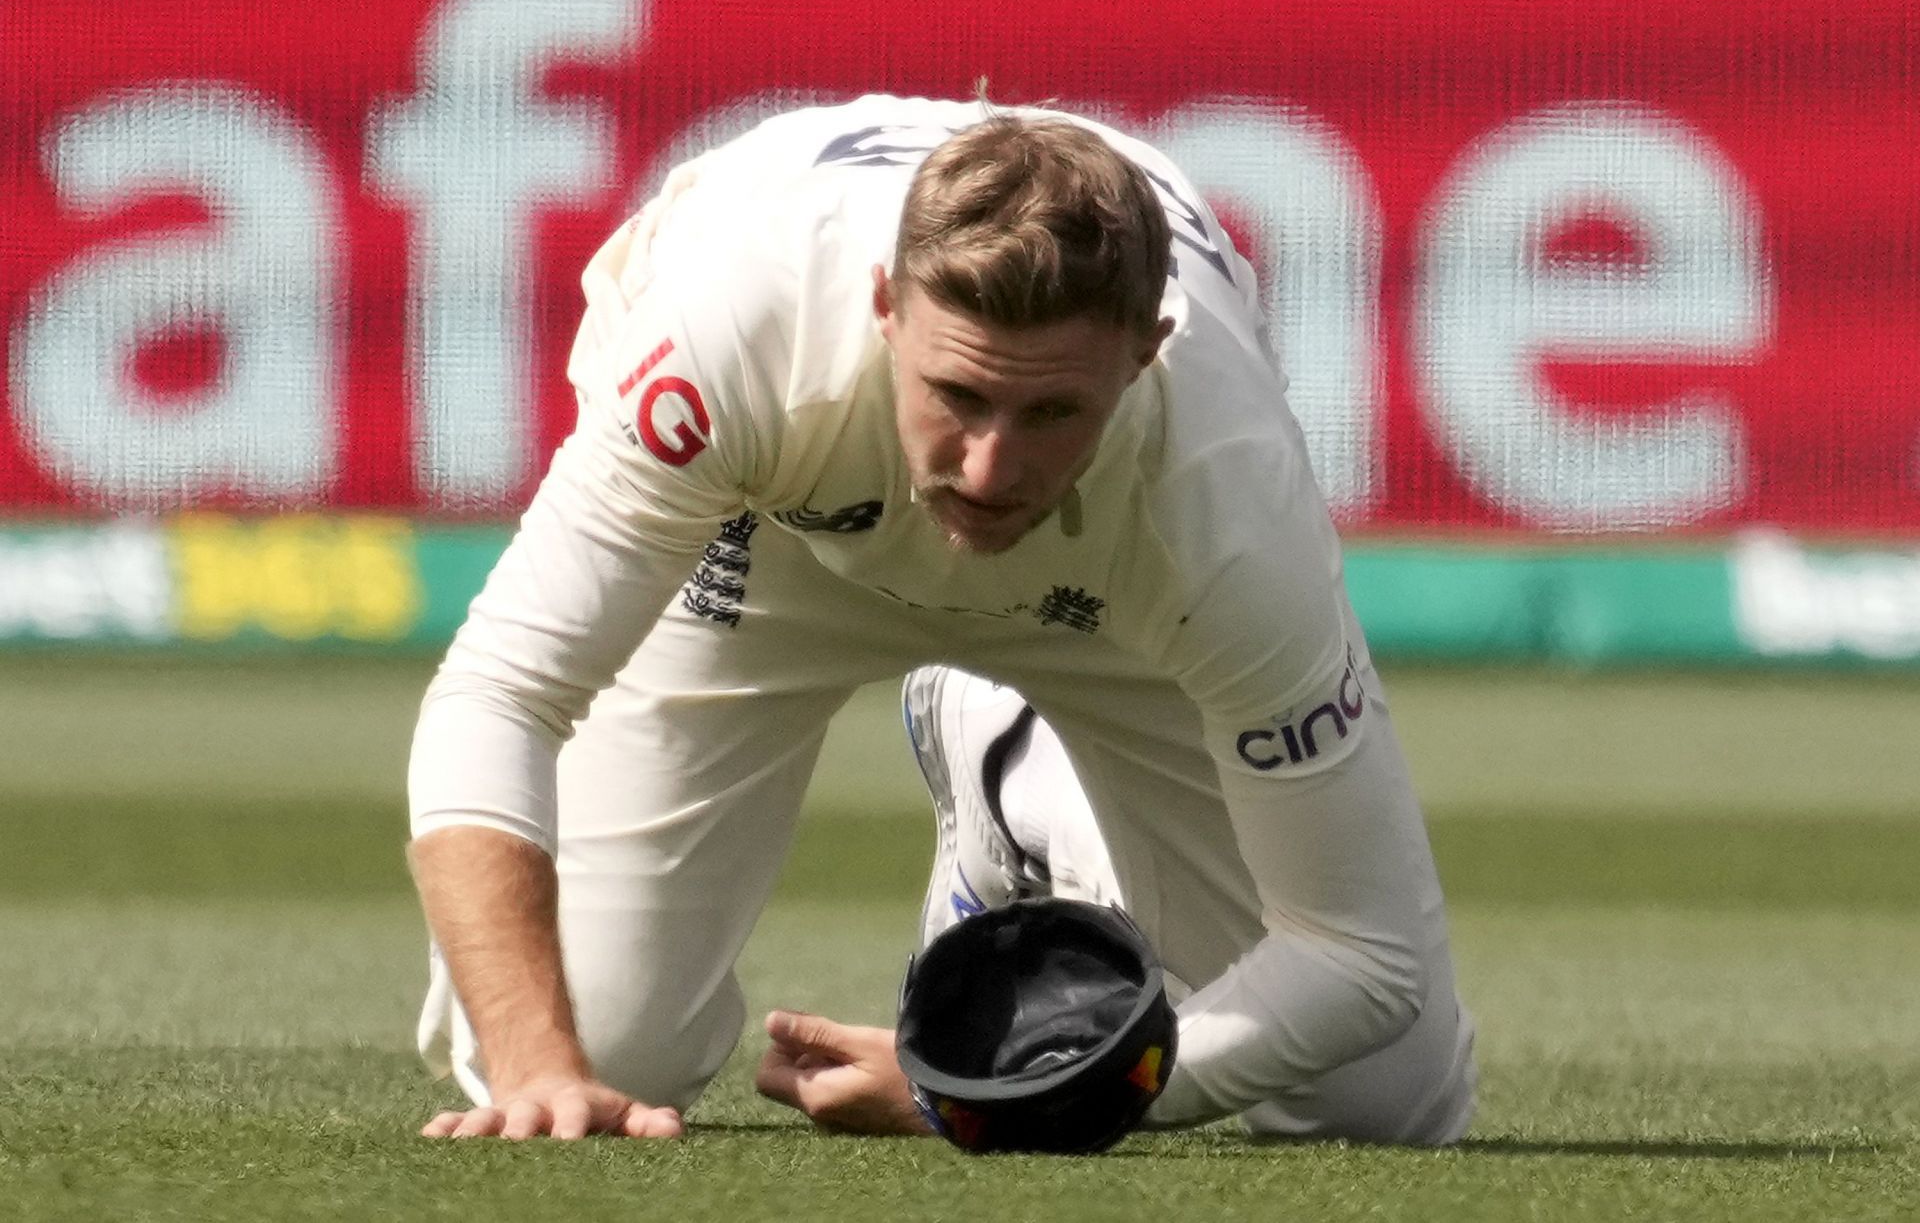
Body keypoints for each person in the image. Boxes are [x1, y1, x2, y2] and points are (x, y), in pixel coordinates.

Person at [407, 93, 1476, 1144]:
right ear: (884, 306)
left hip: (1097, 597)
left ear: (1145, 353)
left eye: (1051, 409)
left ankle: (1014, 778)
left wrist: (978, 1101)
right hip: (771, 531)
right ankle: (1014, 752)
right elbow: (499, 690)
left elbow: (1361, 958)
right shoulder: (738, 327)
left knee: (1378, 1098)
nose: (989, 467)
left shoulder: (1224, 488)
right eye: (958, 393)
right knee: (594, 1052)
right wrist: (534, 1056)